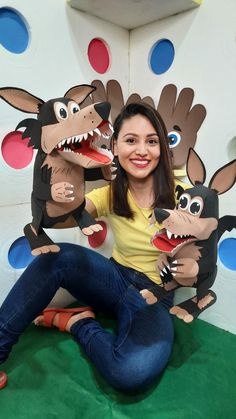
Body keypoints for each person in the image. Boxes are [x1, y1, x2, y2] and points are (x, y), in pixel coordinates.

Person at [0, 102, 180, 392]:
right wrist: (58, 176)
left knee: (131, 373)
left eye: (151, 141)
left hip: (155, 298)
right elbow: (61, 219)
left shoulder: (181, 191)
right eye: (131, 140)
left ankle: (79, 323)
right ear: (116, 147)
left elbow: (198, 245)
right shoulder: (111, 191)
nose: (142, 151)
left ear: (162, 146)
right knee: (57, 257)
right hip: (115, 279)